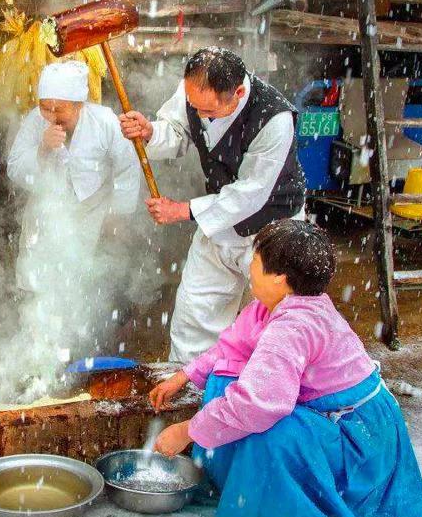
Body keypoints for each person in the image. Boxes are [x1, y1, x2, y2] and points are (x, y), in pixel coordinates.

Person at [148, 220, 422, 517]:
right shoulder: (272, 306)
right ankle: (241, 485)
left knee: (268, 433)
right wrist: (184, 376)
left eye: (255, 261)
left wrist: (187, 431)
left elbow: (257, 406)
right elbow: (232, 346)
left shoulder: (295, 326)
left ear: (280, 278)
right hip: (332, 417)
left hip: (359, 435)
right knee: (223, 380)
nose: (249, 268)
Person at [120, 47, 305, 363]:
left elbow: (251, 192)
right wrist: (150, 131)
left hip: (272, 226)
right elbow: (178, 131)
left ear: (238, 93)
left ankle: (264, 384)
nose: (200, 116)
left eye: (209, 111)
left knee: (273, 317)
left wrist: (184, 210)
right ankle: (188, 380)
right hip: (219, 223)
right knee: (195, 311)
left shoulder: (274, 118)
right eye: (195, 106)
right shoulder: (193, 91)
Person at [7, 60, 139, 293]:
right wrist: (43, 148)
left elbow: (127, 166)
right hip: (45, 211)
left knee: (83, 281)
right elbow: (15, 168)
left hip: (91, 211)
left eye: (59, 109)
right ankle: (37, 312)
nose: (51, 115)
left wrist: (119, 213)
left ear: (79, 105)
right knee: (39, 279)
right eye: (45, 107)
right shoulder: (34, 121)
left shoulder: (104, 121)